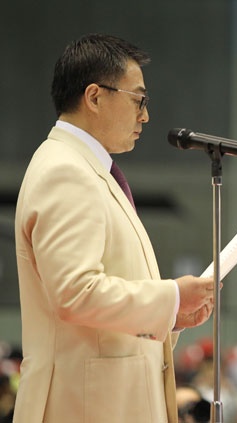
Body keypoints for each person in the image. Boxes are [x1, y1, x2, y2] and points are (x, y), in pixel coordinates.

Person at [13, 34, 216, 423]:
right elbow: (76, 292)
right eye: (139, 100)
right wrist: (171, 296)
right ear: (94, 97)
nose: (145, 116)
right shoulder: (65, 171)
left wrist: (170, 314)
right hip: (84, 404)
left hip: (105, 397)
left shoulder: (84, 168)